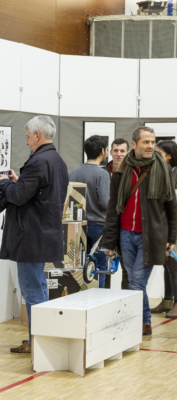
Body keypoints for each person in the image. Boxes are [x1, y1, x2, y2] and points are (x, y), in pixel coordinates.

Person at [0, 115, 68, 354]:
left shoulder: (38, 161)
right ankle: (37, 340)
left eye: (28, 137)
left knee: (32, 291)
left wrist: (5, 184)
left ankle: (40, 345)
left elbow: (18, 196)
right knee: (38, 288)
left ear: (37, 135)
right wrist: (19, 182)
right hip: (45, 235)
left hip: (30, 238)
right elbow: (38, 193)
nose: (27, 142)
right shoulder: (57, 160)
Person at [103, 127, 177, 336]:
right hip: (126, 234)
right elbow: (112, 207)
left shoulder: (162, 169)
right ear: (134, 144)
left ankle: (137, 323)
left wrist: (172, 238)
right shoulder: (121, 169)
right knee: (131, 280)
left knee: (136, 282)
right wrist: (109, 242)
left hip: (151, 236)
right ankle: (144, 323)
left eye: (153, 142)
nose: (150, 146)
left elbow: (172, 206)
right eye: (146, 142)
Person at [69, 136, 110, 288]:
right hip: (98, 226)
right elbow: (106, 202)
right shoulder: (102, 174)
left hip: (78, 226)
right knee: (99, 267)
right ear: (102, 151)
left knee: (81, 267)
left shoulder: (73, 173)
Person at [151, 140, 177, 317]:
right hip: (167, 223)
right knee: (167, 263)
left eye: (159, 153)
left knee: (174, 264)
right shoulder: (168, 171)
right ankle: (167, 300)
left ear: (169, 156)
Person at [104, 138, 130, 290]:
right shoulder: (103, 172)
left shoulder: (132, 173)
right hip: (106, 225)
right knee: (104, 269)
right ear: (110, 152)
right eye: (116, 150)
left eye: (122, 151)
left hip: (126, 227)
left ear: (128, 152)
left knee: (127, 269)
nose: (119, 154)